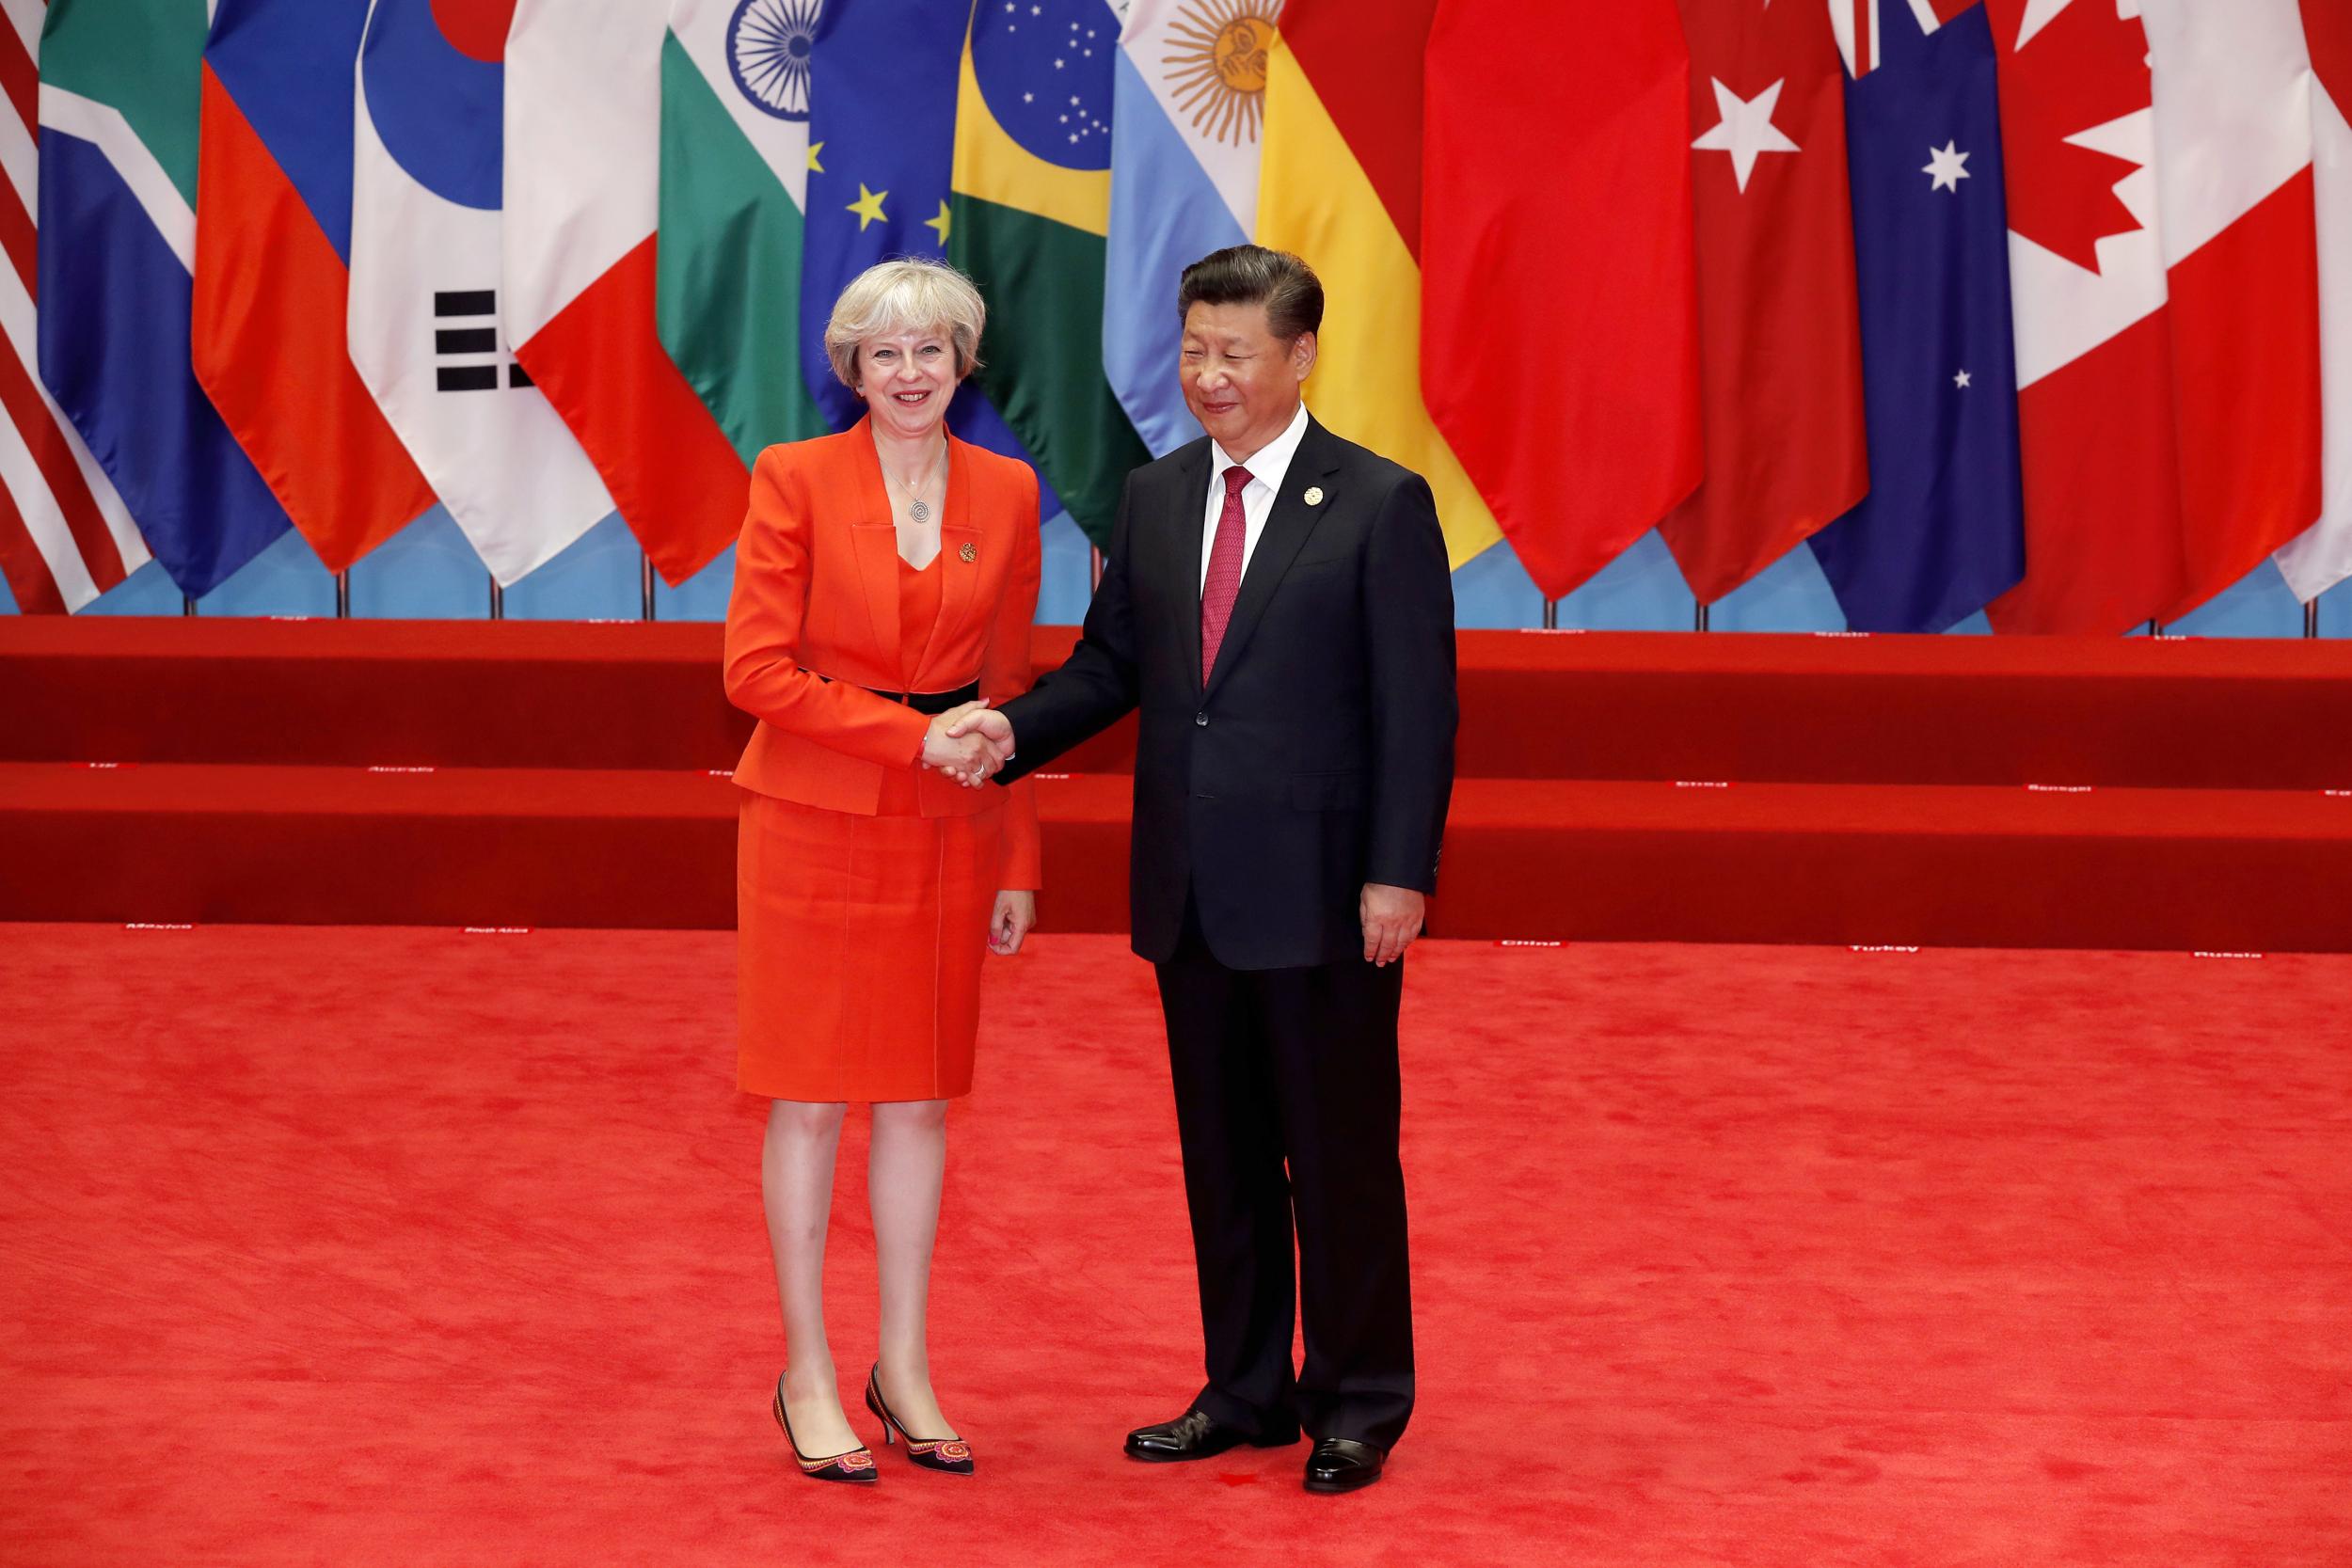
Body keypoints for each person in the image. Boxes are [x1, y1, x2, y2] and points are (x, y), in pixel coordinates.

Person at [949, 245, 1456, 1494]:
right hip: (1189, 890)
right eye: (1193, 351)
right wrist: (1011, 732)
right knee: (1221, 1158)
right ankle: (1245, 1389)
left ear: (1300, 356)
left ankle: (1358, 1401)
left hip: (1328, 894)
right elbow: (1114, 667)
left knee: (1337, 1159)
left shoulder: (1381, 504)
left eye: (1234, 354)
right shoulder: (1158, 496)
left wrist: (1399, 873)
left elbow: (1418, 711)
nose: (1209, 377)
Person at [722, 258, 1040, 1484]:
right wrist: (912, 733)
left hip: (953, 826)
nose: (909, 373)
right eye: (884, 352)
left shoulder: (1010, 492)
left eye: (933, 349)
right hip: (808, 817)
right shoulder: (792, 479)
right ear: (850, 367)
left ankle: (901, 1367)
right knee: (807, 1097)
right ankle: (806, 1370)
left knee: (918, 1099)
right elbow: (753, 673)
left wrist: (1021, 852)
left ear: (967, 363)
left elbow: (1013, 688)